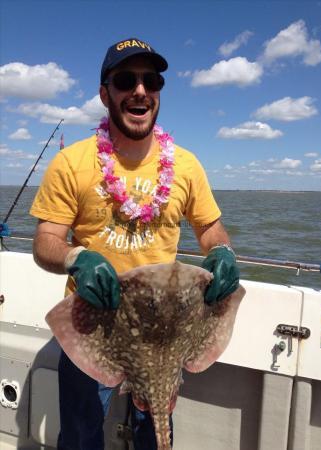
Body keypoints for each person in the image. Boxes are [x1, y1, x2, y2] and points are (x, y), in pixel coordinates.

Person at [30, 37, 240, 450]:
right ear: (105, 92)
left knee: (157, 431)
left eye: (152, 80)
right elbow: (45, 242)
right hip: (94, 324)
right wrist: (76, 257)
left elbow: (211, 229)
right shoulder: (71, 162)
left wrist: (221, 251)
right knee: (80, 435)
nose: (140, 90)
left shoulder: (185, 164)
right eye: (126, 80)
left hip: (167, 329)